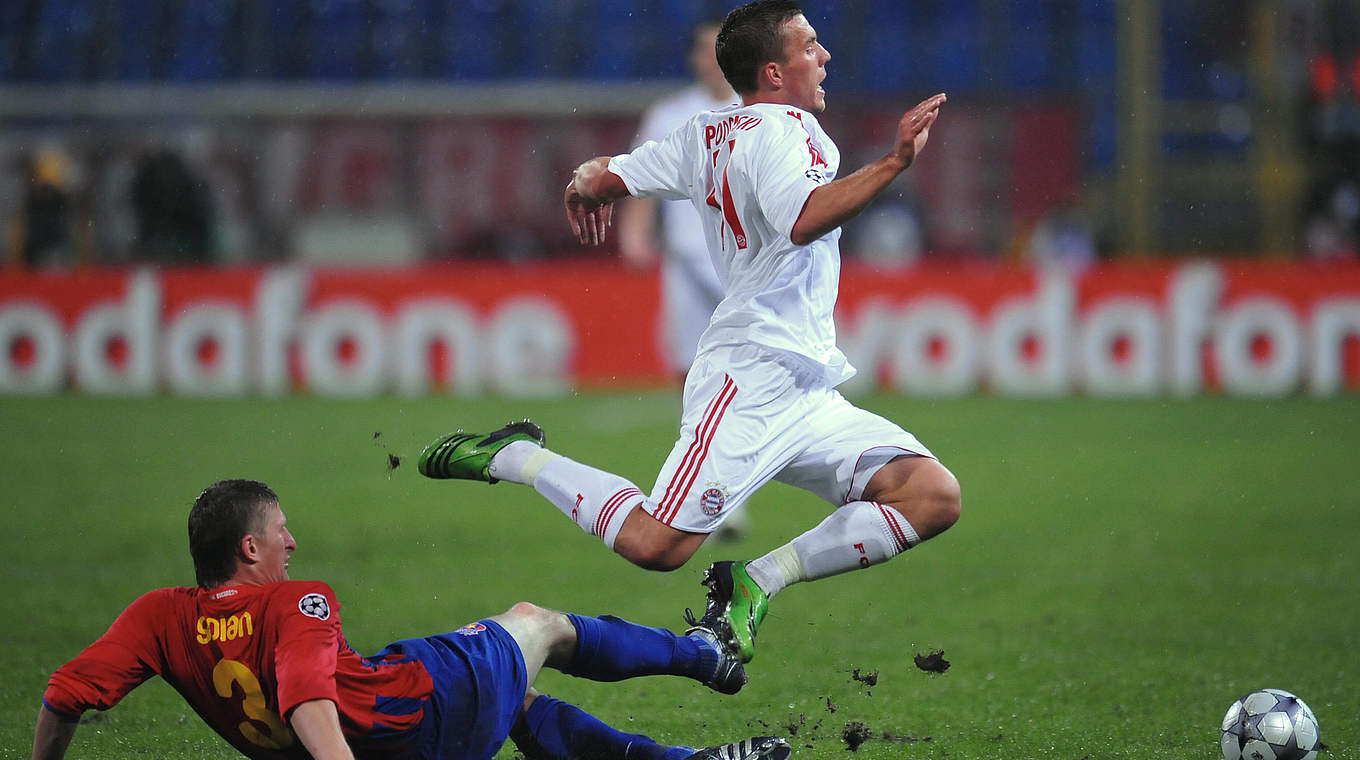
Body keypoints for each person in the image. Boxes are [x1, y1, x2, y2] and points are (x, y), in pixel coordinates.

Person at [418, 0, 960, 668]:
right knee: (655, 546)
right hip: (750, 375)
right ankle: (516, 458)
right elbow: (802, 218)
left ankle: (757, 580)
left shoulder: (703, 132)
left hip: (807, 385)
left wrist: (590, 183)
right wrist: (895, 161)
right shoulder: (796, 134)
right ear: (774, 70)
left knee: (930, 495)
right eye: (810, 46)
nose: (824, 57)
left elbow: (610, 173)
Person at [32, 479, 790, 760]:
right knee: (537, 623)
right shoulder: (298, 600)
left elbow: (64, 694)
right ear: (249, 547)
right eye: (282, 531)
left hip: (390, 707)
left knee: (520, 703)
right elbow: (306, 696)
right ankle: (704, 655)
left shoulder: (158, 617)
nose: (294, 543)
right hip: (421, 712)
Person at [618, 18, 735, 378]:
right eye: (705, 51)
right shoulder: (669, 115)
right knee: (688, 363)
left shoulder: (758, 111)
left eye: (722, 50)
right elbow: (643, 177)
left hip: (745, 257)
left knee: (756, 355)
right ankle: (697, 432)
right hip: (687, 257)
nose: (713, 60)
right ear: (693, 58)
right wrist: (634, 234)